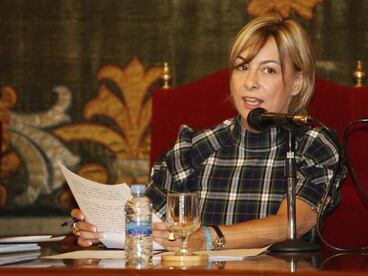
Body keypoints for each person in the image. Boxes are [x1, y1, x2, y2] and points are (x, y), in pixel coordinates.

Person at [71, 13, 346, 250]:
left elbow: (295, 223)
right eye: (242, 67)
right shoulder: (195, 147)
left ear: (297, 82)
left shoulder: (315, 144)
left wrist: (206, 237)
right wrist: (102, 230)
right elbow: (151, 222)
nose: (250, 82)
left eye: (269, 70)